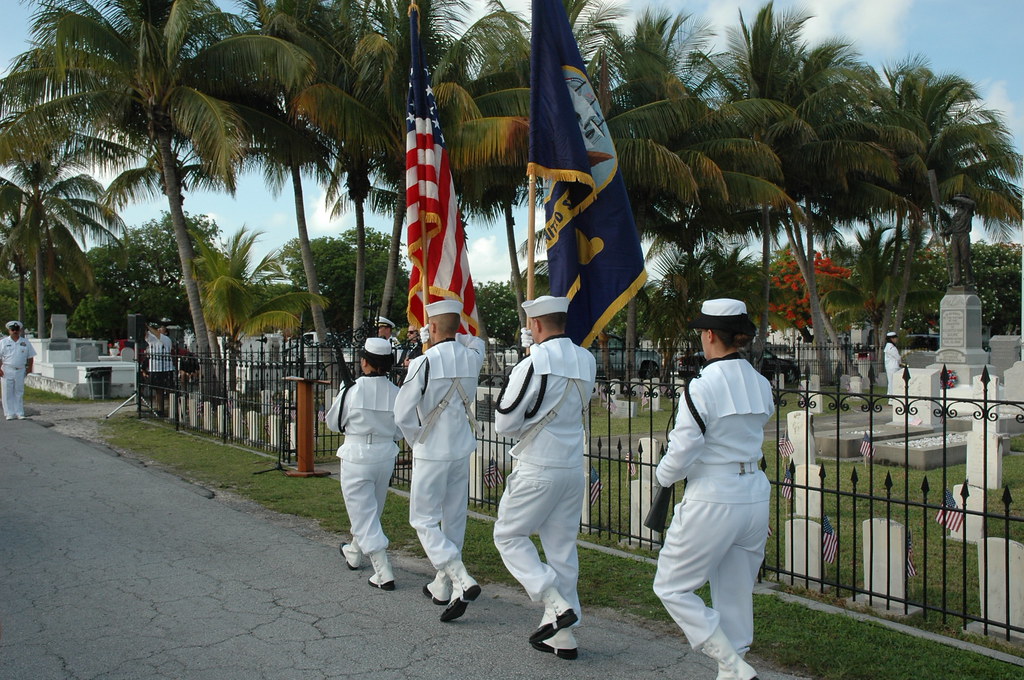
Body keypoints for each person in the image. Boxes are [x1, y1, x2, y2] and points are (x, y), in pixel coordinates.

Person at [652, 299, 774, 680]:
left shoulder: (702, 386)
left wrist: (662, 476)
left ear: (709, 335)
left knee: (671, 586)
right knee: (735, 593)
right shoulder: (760, 382)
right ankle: (732, 665)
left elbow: (683, 449)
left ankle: (732, 663)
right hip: (754, 492)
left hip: (714, 496)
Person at [493, 296, 596, 660]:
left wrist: (528, 362)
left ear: (535, 325)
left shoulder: (532, 364)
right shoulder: (588, 359)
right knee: (562, 548)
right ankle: (564, 637)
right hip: (571, 466)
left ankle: (554, 602)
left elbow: (505, 423)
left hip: (538, 465)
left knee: (507, 534)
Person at [394, 299, 485, 622]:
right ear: (457, 328)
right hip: (461, 448)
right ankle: (442, 585)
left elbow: (402, 412)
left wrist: (416, 439)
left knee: (423, 519)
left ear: (430, 327)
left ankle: (460, 576)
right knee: (454, 517)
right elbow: (478, 342)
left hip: (431, 449)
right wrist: (454, 334)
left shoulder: (423, 362)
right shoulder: (472, 357)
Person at [325, 337, 403, 591]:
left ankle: (383, 571)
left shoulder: (352, 389)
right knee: (371, 511)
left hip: (357, 455)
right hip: (385, 456)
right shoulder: (397, 392)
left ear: (364, 362)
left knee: (363, 514)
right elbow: (401, 431)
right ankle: (354, 552)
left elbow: (333, 423)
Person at [1, 321, 36, 420]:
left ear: (20, 330)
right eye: (13, 330)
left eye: (16, 330)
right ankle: (9, 413)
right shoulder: (3, 342)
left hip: (20, 370)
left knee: (19, 391)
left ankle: (19, 412)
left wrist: (29, 369)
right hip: (7, 370)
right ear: (9, 330)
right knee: (7, 392)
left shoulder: (25, 342)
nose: (15, 331)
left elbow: (30, 357)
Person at [942, 193, 976, 287]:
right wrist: (946, 232)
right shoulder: (956, 214)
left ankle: (969, 280)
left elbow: (972, 203)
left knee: (965, 258)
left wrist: (959, 198)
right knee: (955, 258)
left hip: (964, 235)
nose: (957, 203)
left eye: (959, 201)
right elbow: (953, 227)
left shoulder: (968, 211)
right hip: (955, 236)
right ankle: (956, 280)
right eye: (957, 202)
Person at [144, 319, 175, 415]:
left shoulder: (166, 340)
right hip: (155, 368)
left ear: (165, 332)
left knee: (170, 389)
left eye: (161, 329)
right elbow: (146, 334)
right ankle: (160, 409)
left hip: (166, 368)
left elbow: (157, 334)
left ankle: (173, 409)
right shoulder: (152, 340)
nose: (159, 330)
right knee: (158, 390)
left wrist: (147, 325)